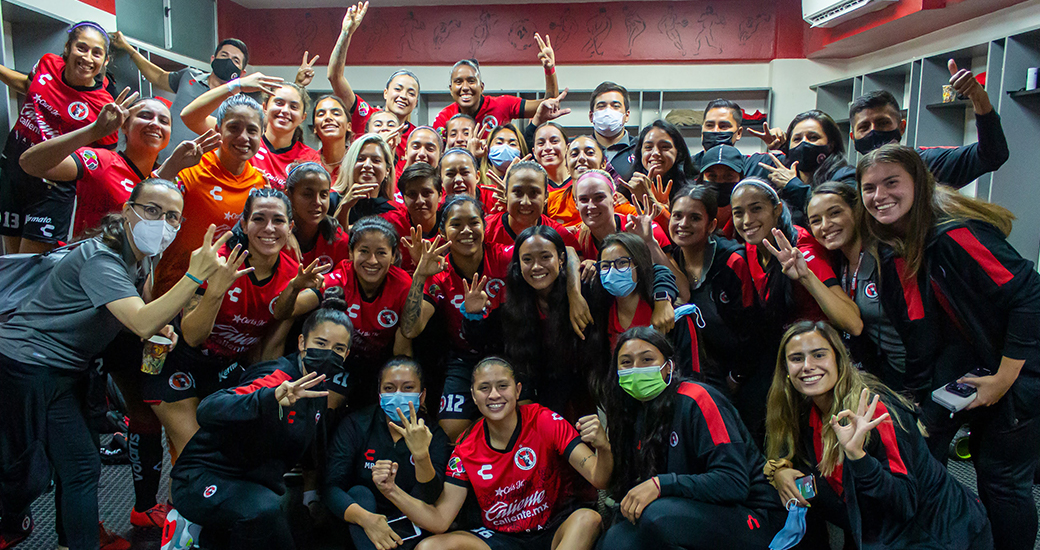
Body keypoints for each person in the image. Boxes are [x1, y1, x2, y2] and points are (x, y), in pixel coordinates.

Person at [0, 179, 234, 549]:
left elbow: (141, 318)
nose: (162, 224)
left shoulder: (141, 258)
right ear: (128, 211)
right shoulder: (101, 258)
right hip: (26, 366)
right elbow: (141, 320)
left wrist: (162, 330)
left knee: (80, 468)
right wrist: (194, 276)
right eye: (152, 211)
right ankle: (10, 523)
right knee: (23, 472)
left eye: (172, 217)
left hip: (67, 370)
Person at [858, 144, 1040, 550]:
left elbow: (1029, 296)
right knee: (921, 449)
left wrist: (1004, 379)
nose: (879, 196)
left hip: (1017, 371)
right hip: (966, 367)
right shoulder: (898, 249)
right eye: (869, 187)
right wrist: (918, 397)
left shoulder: (957, 233)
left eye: (892, 183)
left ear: (918, 185)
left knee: (1003, 481)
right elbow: (922, 333)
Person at [764, 320, 992, 549]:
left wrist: (858, 457)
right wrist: (779, 472)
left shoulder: (876, 413)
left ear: (840, 361)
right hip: (876, 527)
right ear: (785, 371)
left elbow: (903, 504)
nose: (807, 366)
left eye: (819, 355)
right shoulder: (804, 410)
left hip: (940, 535)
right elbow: (790, 458)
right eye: (796, 359)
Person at [371, 357, 611, 550]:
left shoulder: (544, 420)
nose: (494, 395)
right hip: (499, 538)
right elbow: (440, 520)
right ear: (474, 396)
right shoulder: (465, 447)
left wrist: (603, 447)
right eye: (484, 388)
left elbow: (599, 478)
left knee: (588, 520)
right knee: (430, 547)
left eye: (502, 386)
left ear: (517, 391)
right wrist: (391, 490)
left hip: (553, 529)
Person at [168, 300, 349, 550]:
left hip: (256, 487)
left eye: (338, 348)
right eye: (320, 343)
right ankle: (191, 533)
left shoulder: (318, 392)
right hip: (204, 478)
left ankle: (206, 538)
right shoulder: (275, 378)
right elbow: (208, 409)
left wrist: (310, 497)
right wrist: (269, 397)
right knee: (262, 512)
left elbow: (310, 447)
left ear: (346, 355)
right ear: (301, 343)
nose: (329, 352)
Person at [597, 327, 784, 549]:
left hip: (751, 515)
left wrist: (662, 484)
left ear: (669, 366)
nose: (636, 369)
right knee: (613, 541)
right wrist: (603, 447)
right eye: (626, 362)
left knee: (657, 517)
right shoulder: (632, 413)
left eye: (647, 359)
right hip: (688, 511)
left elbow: (734, 482)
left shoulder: (698, 399)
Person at [144, 188, 297, 459]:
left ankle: (175, 501)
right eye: (259, 219)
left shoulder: (292, 274)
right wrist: (216, 290)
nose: (269, 228)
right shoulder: (216, 259)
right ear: (244, 223)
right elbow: (191, 336)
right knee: (196, 452)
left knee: (226, 450)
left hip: (223, 367)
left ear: (290, 227)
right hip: (172, 356)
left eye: (279, 220)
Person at [728, 177, 860, 443]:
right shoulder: (753, 247)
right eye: (738, 212)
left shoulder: (803, 249)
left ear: (777, 209)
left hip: (822, 356)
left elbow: (853, 323)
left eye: (756, 209)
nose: (746, 220)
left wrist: (805, 277)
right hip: (786, 350)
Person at [18, 90, 220, 240]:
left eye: (164, 121)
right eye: (145, 116)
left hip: (130, 280)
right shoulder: (102, 161)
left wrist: (173, 167)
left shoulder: (162, 180)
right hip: (85, 275)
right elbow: (30, 164)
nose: (155, 124)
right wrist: (93, 131)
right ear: (125, 125)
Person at [0, 21, 117, 254]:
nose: (87, 58)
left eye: (97, 53)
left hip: (51, 187)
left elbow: (105, 160)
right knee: (9, 264)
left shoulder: (105, 106)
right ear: (67, 48)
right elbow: (28, 85)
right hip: (13, 169)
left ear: (105, 61)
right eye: (81, 48)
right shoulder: (47, 64)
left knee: (28, 268)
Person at [274, 216, 412, 410]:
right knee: (328, 403)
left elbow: (407, 341)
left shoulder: (403, 285)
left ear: (393, 255)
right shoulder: (338, 280)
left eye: (381, 253)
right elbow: (283, 312)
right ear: (350, 253)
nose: (372, 261)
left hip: (378, 365)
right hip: (337, 361)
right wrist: (294, 286)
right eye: (364, 251)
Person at [151, 92, 272, 297]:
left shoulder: (260, 185)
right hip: (172, 292)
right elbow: (145, 206)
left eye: (252, 130)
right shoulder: (191, 169)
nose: (243, 137)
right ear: (218, 129)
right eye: (234, 128)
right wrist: (169, 168)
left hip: (223, 299)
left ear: (261, 134)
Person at [325, 357, 450, 550]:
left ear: (422, 395)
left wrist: (421, 456)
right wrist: (368, 520)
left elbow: (431, 496)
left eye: (408, 388)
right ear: (379, 394)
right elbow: (331, 488)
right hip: (363, 521)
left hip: (410, 523)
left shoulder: (435, 435)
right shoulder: (356, 425)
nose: (398, 395)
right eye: (390, 388)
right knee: (360, 493)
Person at [806, 182, 906, 387]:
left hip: (918, 377)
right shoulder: (837, 262)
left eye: (834, 213)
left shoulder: (888, 257)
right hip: (886, 375)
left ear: (857, 211)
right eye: (816, 220)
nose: (825, 225)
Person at [849, 60, 1008, 187]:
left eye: (883, 123)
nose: (874, 131)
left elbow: (992, 155)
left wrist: (979, 99)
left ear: (902, 127)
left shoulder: (928, 164)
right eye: (864, 127)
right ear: (853, 137)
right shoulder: (849, 183)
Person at [663, 184, 757, 389]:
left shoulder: (733, 261)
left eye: (694, 218)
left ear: (711, 225)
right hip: (697, 370)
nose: (683, 224)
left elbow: (752, 330)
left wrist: (736, 377)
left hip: (740, 372)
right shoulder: (670, 261)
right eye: (677, 216)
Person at [110, 32, 255, 161]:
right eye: (224, 55)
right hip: (157, 160)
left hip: (198, 172)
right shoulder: (189, 75)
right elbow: (158, 77)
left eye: (235, 60)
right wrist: (128, 48)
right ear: (212, 59)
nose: (228, 61)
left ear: (242, 73)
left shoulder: (240, 106)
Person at [182, 75, 318, 191]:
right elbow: (189, 117)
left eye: (293, 107)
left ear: (303, 117)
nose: (285, 110)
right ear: (264, 107)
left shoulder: (310, 158)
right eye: (279, 102)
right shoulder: (240, 137)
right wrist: (236, 85)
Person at [329, 2, 420, 160]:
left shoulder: (416, 136)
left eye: (411, 93)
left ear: (416, 101)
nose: (403, 96)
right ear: (386, 93)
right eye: (398, 89)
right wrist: (346, 34)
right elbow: (335, 77)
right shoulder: (366, 115)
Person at [431, 37, 559, 132]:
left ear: (481, 87)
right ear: (451, 89)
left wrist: (550, 69)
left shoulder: (502, 105)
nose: (465, 87)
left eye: (471, 81)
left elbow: (549, 104)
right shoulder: (444, 118)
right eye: (458, 82)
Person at [757, 110, 854, 217]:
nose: (804, 143)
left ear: (830, 145)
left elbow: (832, 212)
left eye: (813, 138)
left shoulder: (845, 175)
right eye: (797, 139)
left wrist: (792, 185)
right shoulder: (780, 171)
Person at [571, 169, 669, 261]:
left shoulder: (643, 228)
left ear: (614, 199)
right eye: (584, 199)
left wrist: (650, 242)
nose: (591, 206)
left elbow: (678, 278)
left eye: (599, 197)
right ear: (576, 204)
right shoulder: (578, 240)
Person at [483, 160, 580, 249]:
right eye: (518, 192)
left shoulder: (560, 235)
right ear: (505, 194)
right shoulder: (485, 230)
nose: (525, 202)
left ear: (546, 197)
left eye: (534, 193)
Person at [285, 162, 350, 269]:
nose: (317, 202)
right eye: (307, 194)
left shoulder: (339, 239)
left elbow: (344, 279)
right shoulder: (276, 237)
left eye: (323, 195)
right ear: (289, 196)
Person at [694, 98, 784, 173]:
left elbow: (794, 162)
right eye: (709, 125)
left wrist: (783, 145)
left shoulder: (755, 166)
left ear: (739, 133)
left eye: (724, 126)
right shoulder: (686, 167)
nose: (715, 131)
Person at [384, 162, 442, 274]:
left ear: (439, 196)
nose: (420, 201)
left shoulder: (452, 224)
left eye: (426, 193)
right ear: (403, 199)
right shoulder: (391, 223)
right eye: (412, 194)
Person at [625, 120, 696, 206]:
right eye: (648, 147)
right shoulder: (627, 189)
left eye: (665, 147)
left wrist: (650, 200)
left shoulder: (692, 192)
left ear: (678, 152)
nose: (655, 153)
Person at [332, 133, 398, 225]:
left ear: (387, 170)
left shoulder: (391, 211)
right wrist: (344, 208)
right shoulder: (330, 201)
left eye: (376, 160)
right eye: (360, 159)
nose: (367, 165)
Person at [587, 82, 638, 180]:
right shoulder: (578, 151)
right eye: (601, 106)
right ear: (591, 116)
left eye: (615, 106)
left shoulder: (640, 149)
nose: (608, 112)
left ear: (626, 115)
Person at [478, 124, 529, 213]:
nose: (505, 147)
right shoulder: (477, 185)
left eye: (512, 144)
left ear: (521, 151)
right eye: (499, 143)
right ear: (488, 148)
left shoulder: (529, 187)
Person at [311, 94, 351, 182]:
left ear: (349, 126)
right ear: (315, 128)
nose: (328, 117)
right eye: (321, 114)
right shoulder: (306, 164)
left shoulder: (359, 162)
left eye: (336, 113)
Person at [532, 122, 570, 189]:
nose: (547, 148)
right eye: (541, 143)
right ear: (534, 152)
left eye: (554, 141)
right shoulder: (531, 186)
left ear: (567, 147)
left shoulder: (580, 182)